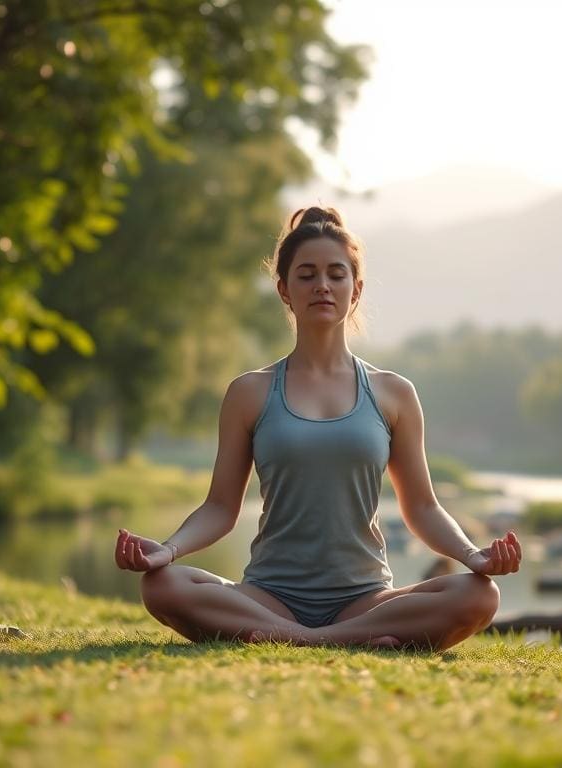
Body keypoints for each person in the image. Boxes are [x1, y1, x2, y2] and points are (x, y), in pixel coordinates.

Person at [114, 206, 522, 652]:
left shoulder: (394, 394)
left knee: (479, 593)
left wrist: (472, 555)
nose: (322, 285)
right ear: (285, 291)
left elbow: (423, 508)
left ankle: (304, 640)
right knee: (162, 585)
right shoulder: (249, 392)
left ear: (356, 289)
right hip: (268, 598)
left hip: (365, 599)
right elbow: (220, 507)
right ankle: (335, 640)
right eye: (306, 275)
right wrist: (166, 551)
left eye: (336, 274)